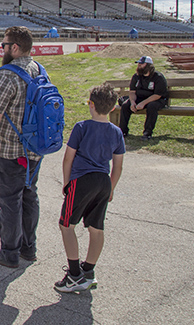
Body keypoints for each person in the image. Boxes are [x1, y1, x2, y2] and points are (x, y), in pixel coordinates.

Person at [0, 26, 43, 268]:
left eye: (4, 45)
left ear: (14, 47)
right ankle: (29, 247)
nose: (2, 49)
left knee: (9, 202)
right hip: (34, 148)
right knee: (29, 196)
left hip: (8, 151)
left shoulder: (6, 75)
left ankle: (9, 251)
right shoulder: (38, 70)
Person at [55, 83, 125, 293]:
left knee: (66, 225)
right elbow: (118, 165)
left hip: (82, 180)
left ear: (91, 105)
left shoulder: (82, 127)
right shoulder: (116, 132)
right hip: (103, 180)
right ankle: (89, 270)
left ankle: (74, 274)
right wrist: (111, 187)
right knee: (96, 228)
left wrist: (67, 183)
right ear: (113, 108)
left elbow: (68, 158)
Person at [118, 56, 168, 140]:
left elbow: (158, 95)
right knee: (126, 105)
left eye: (141, 64)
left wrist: (143, 103)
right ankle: (123, 131)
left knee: (151, 106)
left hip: (157, 99)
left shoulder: (158, 77)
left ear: (148, 65)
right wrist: (133, 102)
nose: (139, 66)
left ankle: (147, 133)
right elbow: (132, 92)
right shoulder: (136, 77)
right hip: (140, 98)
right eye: (138, 64)